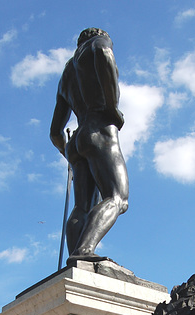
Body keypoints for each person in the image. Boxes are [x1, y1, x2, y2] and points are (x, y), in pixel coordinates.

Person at [50, 28, 129, 263]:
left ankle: (75, 259)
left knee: (82, 207)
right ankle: (84, 251)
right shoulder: (98, 43)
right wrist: (112, 107)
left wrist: (69, 155)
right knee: (118, 198)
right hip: (100, 129)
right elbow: (104, 54)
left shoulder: (66, 75)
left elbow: (55, 133)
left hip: (76, 140)